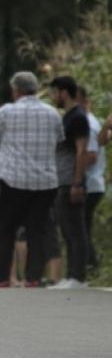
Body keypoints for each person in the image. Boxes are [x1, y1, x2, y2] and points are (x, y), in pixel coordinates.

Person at [0, 71, 63, 288]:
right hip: (45, 182)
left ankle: (2, 278)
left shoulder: (9, 110)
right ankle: (33, 278)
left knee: (6, 229)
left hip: (14, 181)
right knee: (36, 230)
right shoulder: (52, 112)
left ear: (16, 90)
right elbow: (59, 139)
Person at [48, 76, 90, 289]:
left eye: (55, 93)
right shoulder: (68, 117)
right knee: (67, 229)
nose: (53, 97)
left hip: (70, 181)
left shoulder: (78, 118)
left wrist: (77, 182)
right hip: (62, 180)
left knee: (75, 230)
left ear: (64, 92)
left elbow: (82, 150)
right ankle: (71, 275)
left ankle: (78, 277)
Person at [77, 86, 106, 271]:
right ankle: (89, 266)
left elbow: (91, 155)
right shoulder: (89, 121)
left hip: (90, 183)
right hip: (93, 183)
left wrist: (75, 172)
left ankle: (89, 266)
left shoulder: (87, 123)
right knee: (83, 226)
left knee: (81, 228)